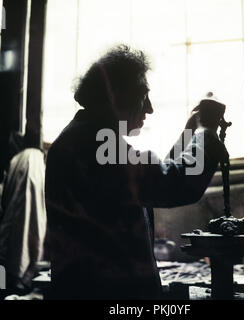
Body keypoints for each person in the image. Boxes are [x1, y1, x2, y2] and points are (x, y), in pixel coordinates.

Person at [45, 44, 227, 299]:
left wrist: (190, 131)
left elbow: (156, 177)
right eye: (143, 94)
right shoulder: (95, 145)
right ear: (116, 95)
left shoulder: (85, 137)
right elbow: (173, 185)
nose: (149, 107)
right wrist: (206, 132)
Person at [0, 132, 47, 292]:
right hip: (27, 229)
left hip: (10, 233)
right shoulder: (34, 160)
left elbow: (5, 200)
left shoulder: (18, 160)